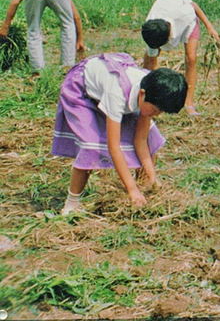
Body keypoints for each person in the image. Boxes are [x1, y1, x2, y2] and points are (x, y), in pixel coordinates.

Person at [52, 52, 187, 215]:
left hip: (114, 94)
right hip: (82, 91)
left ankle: (144, 187)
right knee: (91, 145)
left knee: (152, 135)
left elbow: (141, 140)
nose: (157, 115)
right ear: (142, 94)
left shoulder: (150, 90)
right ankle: (72, 202)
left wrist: (153, 178)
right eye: (156, 110)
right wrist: (130, 189)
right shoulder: (117, 92)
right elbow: (113, 146)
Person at [141, 0, 220, 117]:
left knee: (191, 58)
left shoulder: (182, 15)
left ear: (168, 37)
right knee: (150, 60)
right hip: (164, 11)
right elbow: (154, 65)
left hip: (189, 20)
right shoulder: (152, 29)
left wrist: (210, 27)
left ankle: (188, 103)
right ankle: (145, 94)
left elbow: (194, 6)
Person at [0, 0, 86, 72]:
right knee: (67, 24)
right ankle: (66, 67)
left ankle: (37, 71)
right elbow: (75, 16)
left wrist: (5, 27)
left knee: (33, 29)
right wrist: (80, 40)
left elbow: (15, 2)